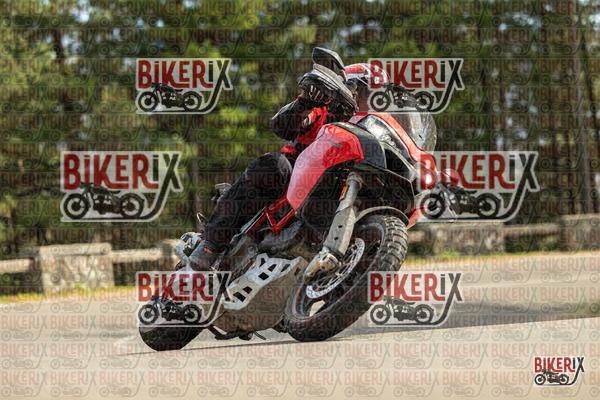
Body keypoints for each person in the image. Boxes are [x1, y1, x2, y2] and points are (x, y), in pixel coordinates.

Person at [189, 62, 389, 271]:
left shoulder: (375, 129)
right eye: (366, 93)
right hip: (297, 173)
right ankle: (211, 243)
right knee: (274, 166)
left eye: (377, 96)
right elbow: (281, 126)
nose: (370, 101)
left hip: (338, 186)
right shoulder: (324, 109)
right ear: (350, 88)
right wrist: (306, 102)